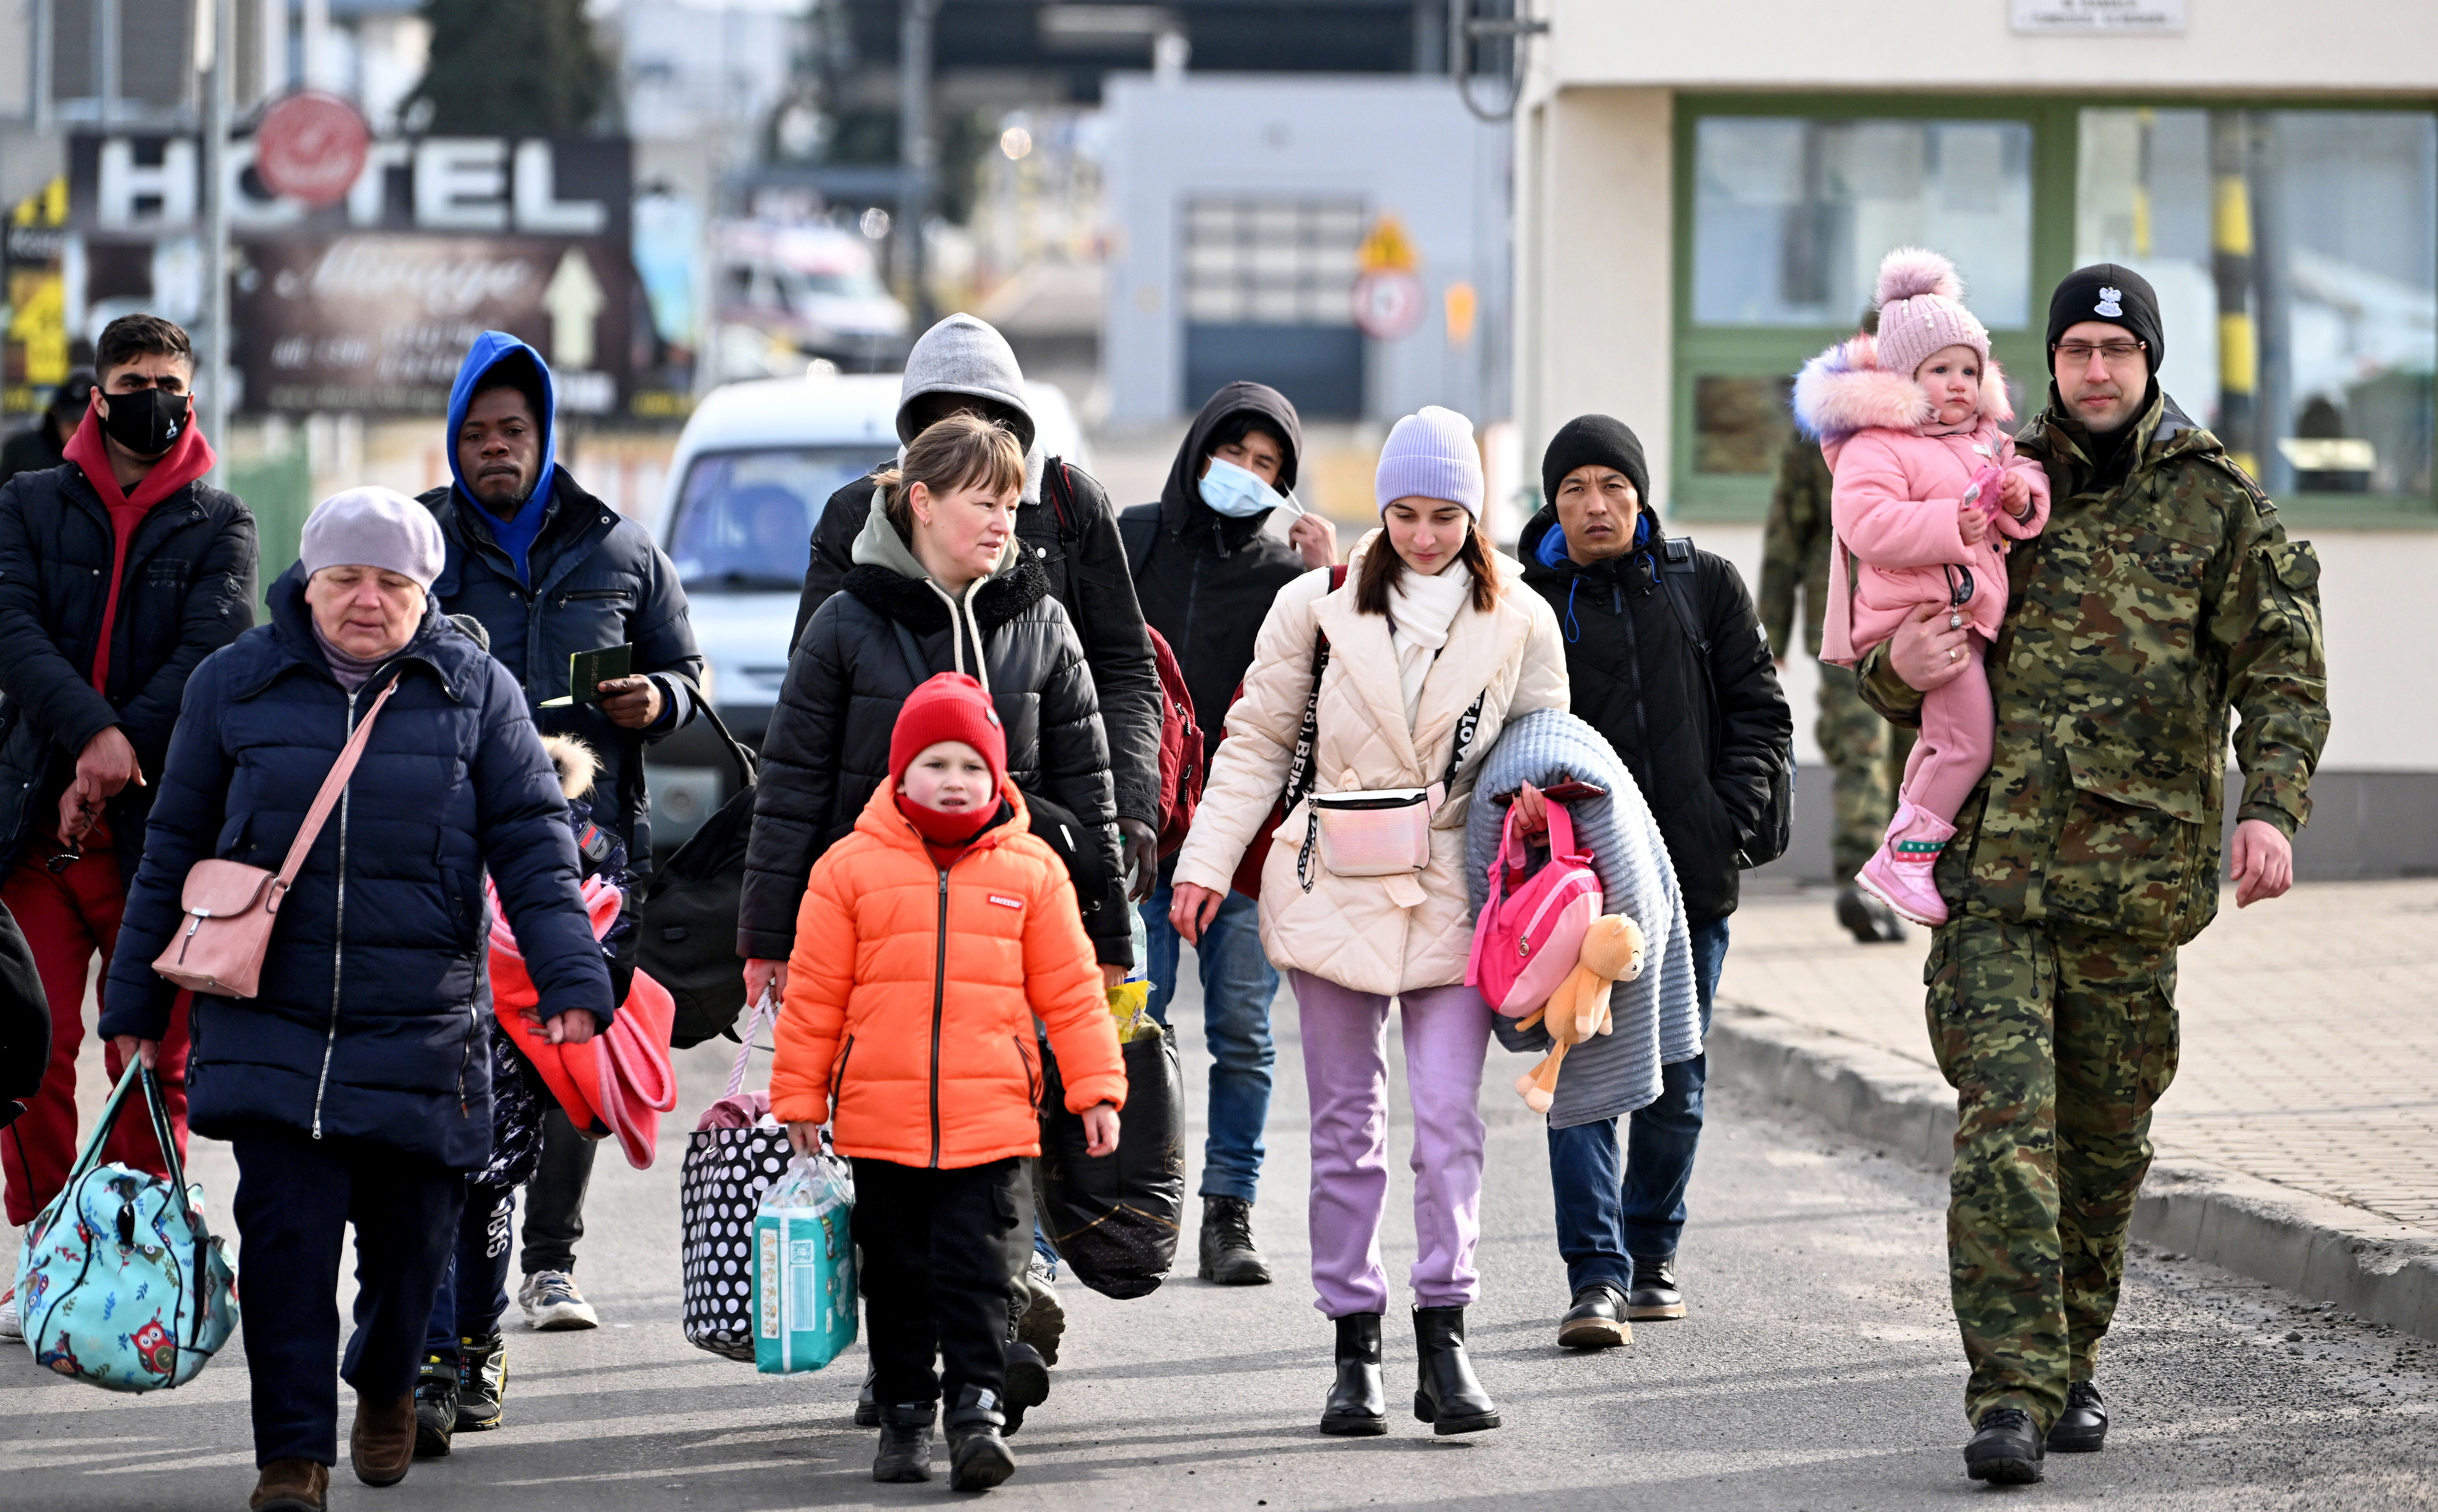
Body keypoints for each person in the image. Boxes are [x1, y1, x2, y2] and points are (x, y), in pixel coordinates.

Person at [1856, 264, 2328, 1484]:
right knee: (2007, 1130)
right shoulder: (1988, 471)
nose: (2098, 371)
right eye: (2077, 350)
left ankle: (2069, 1353)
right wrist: (1899, 663)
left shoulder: (2217, 502)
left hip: (2134, 885)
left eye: (2119, 351)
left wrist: (2271, 807)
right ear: (2054, 363)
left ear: (2149, 362)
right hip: (1995, 881)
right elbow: (1892, 637)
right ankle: (2009, 1392)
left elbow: (2281, 664)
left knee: (2105, 1143)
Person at [100, 486, 612, 1512]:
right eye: (346, 579)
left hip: (420, 1025)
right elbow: (172, 847)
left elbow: (534, 850)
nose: (367, 601)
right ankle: (291, 1456)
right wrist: (133, 1006)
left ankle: (385, 1382)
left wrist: (570, 979)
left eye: (392, 583)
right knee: (286, 1247)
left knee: (414, 1241)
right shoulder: (233, 685)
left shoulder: (477, 693)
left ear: (427, 593)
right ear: (308, 581)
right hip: (269, 1017)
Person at [1170, 406, 1568, 1438]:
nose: (1424, 536)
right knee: (1347, 1132)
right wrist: (1207, 863)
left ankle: (1448, 1338)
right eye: (1403, 514)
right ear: (1379, 509)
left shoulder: (1522, 617)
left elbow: (1548, 752)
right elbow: (1253, 742)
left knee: (1448, 1123)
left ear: (1476, 516)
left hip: (1455, 888)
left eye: (1444, 516)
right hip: (1331, 879)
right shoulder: (1316, 604)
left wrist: (1541, 809)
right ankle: (1355, 1349)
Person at [741, 411, 1125, 1433]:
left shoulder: (1039, 617)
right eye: (984, 502)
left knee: (996, 1162)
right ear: (921, 504)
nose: (1005, 521)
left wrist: (1113, 936)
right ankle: (909, 1374)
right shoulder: (847, 623)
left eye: (1013, 502)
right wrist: (768, 935)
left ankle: (984, 1365)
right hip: (877, 943)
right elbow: (790, 783)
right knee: (899, 1181)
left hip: (1012, 928)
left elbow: (1088, 778)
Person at [771, 671, 1126, 1492]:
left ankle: (976, 1413)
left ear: (999, 776)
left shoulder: (1033, 869)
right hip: (879, 1122)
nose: (956, 781)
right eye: (936, 764)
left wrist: (1096, 1089)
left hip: (995, 1118)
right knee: (896, 1278)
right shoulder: (847, 870)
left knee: (982, 1272)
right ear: (900, 774)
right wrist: (799, 1098)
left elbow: (1071, 992)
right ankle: (903, 1414)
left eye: (973, 766)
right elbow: (816, 994)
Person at [419, 330, 705, 1334]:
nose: (496, 449)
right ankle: (460, 1275)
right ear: (452, 443)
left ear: (543, 439)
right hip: (449, 842)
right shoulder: (418, 547)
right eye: (478, 434)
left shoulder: (621, 547)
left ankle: (551, 1262)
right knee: (468, 1048)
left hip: (587, 845)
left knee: (571, 1036)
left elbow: (689, 677)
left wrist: (655, 701)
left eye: (514, 432)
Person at [0, 315, 255, 1339]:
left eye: (171, 381)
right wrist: (89, 740)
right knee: (30, 1048)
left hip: (163, 841)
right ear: (98, 395)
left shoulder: (220, 520)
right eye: (136, 380)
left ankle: (140, 1249)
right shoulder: (26, 504)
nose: (157, 396)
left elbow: (210, 654)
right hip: (33, 835)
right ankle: (47, 1246)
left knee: (153, 1054)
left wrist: (115, 758)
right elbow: (12, 631)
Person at [1514, 415, 1791, 1342]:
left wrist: (1725, 822)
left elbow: (1760, 709)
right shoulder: (1526, 605)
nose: (1596, 506)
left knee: (1676, 1074)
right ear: (1551, 502)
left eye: (1613, 488)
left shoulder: (1700, 584)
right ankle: (1593, 1276)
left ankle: (1650, 1252)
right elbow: (1500, 738)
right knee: (1580, 1068)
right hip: (1572, 896)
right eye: (1575, 490)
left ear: (1639, 494)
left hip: (1689, 879)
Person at [795, 313, 1162, 911]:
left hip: (1032, 848)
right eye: (945, 418)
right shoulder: (859, 513)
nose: (967, 436)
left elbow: (1124, 671)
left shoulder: (1072, 505)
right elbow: (811, 701)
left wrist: (1130, 803)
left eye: (987, 417)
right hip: (881, 850)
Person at [1118, 380, 1336, 1287]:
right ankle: (1128, 1203)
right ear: (1198, 447)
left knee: (1242, 1034)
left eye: (1267, 466)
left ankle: (1228, 1213)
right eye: (1234, 453)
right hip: (1143, 839)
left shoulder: (1289, 576)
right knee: (1133, 1023)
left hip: (1249, 844)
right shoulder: (1130, 538)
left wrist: (1336, 578)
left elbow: (1345, 692)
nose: (1245, 475)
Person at [1795, 250, 2051, 928]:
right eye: (1941, 371)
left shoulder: (1981, 441)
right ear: (1905, 379)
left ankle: (1903, 845)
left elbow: (2015, 506)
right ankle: (1904, 859)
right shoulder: (1876, 445)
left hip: (1961, 615)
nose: (1960, 384)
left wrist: (2023, 498)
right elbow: (1866, 524)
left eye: (1969, 369)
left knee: (1943, 744)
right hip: (1917, 620)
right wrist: (1949, 524)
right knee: (1967, 743)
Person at [411, 731, 635, 1457]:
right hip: (417, 1047)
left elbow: (612, 932)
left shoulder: (580, 839)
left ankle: (478, 1341)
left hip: (510, 1061)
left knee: (483, 1207)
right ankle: (433, 1362)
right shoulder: (420, 815)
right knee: (421, 1205)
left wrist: (575, 987)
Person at [1759, 320, 1918, 944]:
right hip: (1907, 616)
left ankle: (1868, 882)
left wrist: (1770, 635)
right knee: (1907, 755)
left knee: (1865, 753)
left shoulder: (1823, 426)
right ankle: (1883, 884)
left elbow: (1785, 534)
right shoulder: (1928, 422)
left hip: (1847, 619)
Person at [0, 370, 95, 488]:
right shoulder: (21, 452)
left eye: (87, 424)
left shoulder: (114, 457)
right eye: (71, 423)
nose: (78, 430)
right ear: (55, 415)